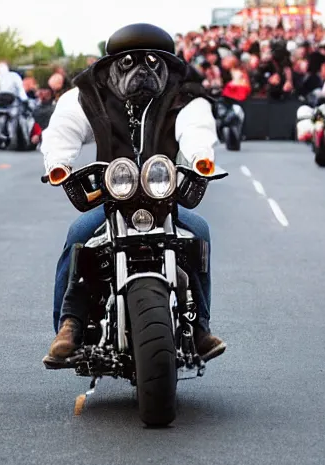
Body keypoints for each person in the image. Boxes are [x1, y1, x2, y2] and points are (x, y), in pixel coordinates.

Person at [40, 23, 227, 369]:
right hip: (113, 198)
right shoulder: (88, 93)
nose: (142, 71)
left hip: (164, 198)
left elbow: (196, 126)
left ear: (168, 65)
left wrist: (201, 157)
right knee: (80, 235)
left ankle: (200, 327)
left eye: (153, 63)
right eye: (129, 63)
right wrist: (59, 164)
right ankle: (68, 326)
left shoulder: (185, 95)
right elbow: (62, 129)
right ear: (112, 65)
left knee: (198, 231)